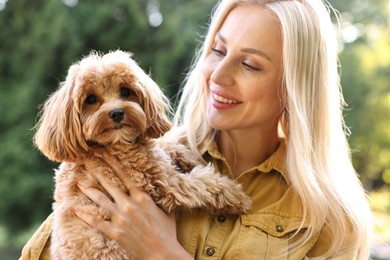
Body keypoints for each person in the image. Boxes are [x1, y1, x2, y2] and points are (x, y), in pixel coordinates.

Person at [21, 0, 374, 259]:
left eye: (250, 64)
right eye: (218, 51)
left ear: (294, 87)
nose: (218, 76)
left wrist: (162, 252)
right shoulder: (108, 168)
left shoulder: (329, 220)